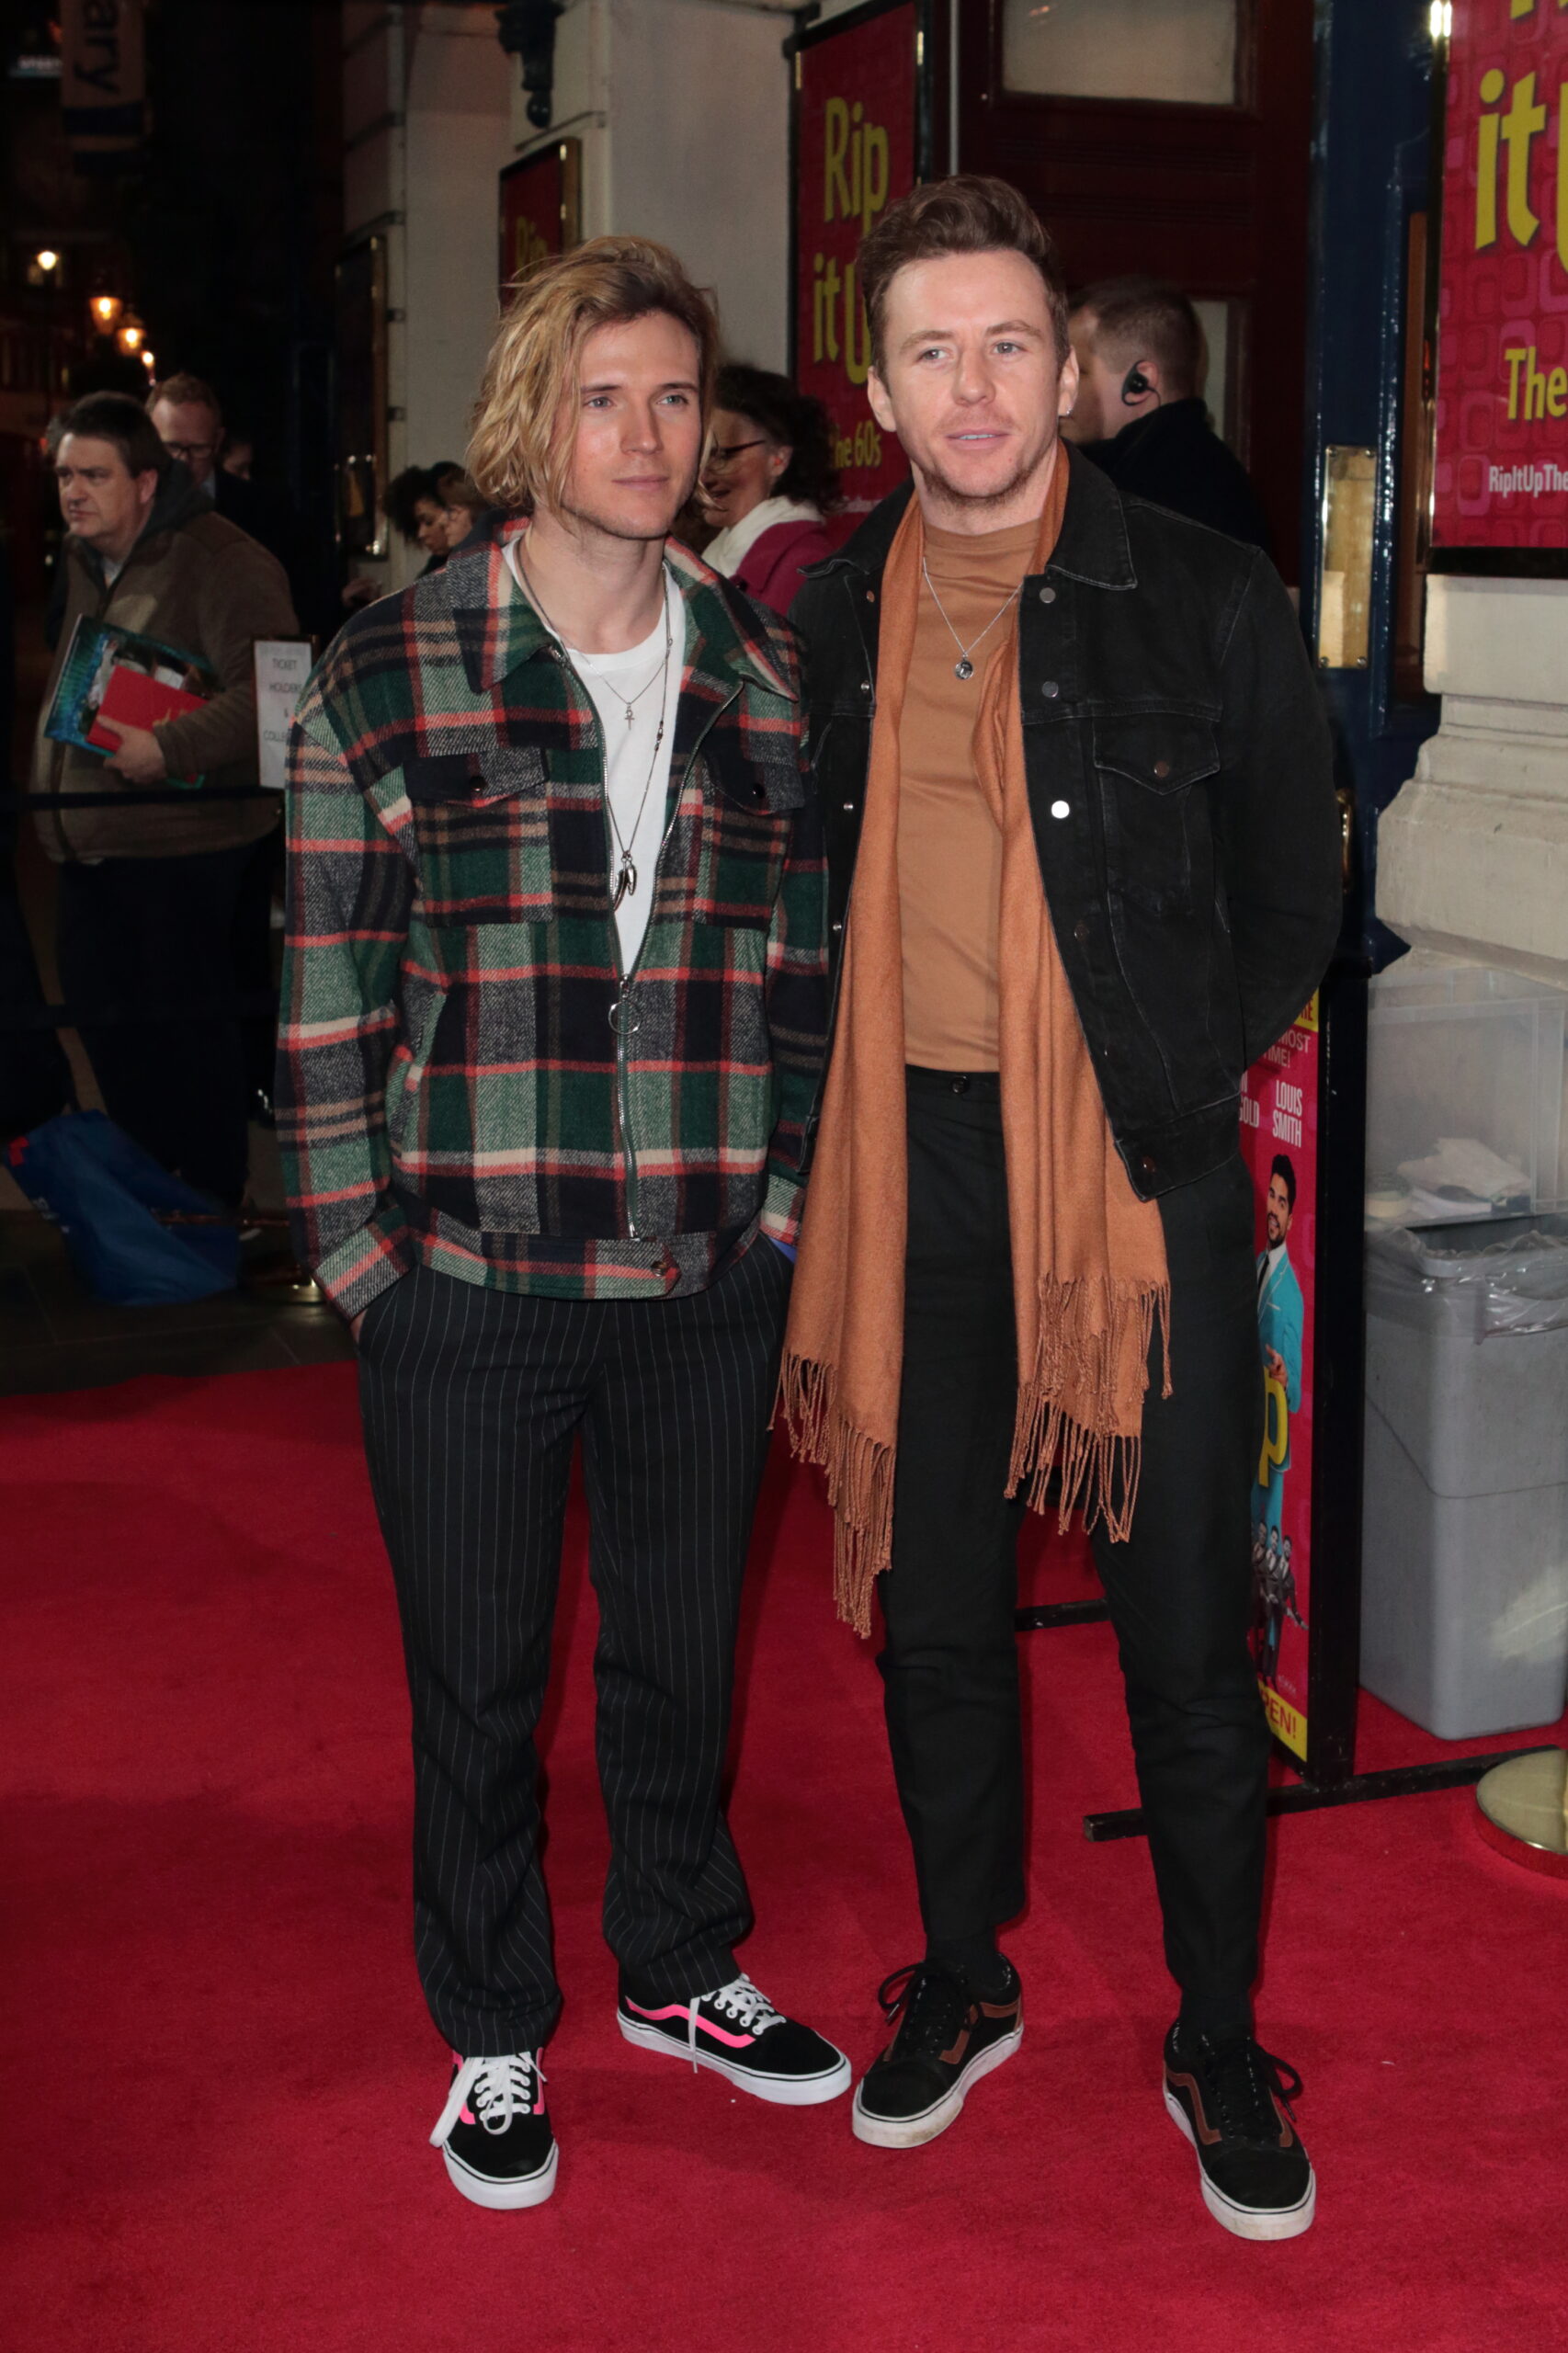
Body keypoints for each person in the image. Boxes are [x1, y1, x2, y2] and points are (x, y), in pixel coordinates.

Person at [783, 176, 1339, 2240]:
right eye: (930, 348)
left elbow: (1298, 870)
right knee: (935, 1613)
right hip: (904, 1172)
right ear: (876, 386)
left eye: (1008, 340)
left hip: (1131, 1171)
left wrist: (1181, 1075)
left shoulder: (1198, 586)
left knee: (1183, 1631)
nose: (974, 383)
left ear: (1077, 362)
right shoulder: (826, 608)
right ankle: (965, 1966)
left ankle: (1210, 2024)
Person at [278, 234, 844, 2214]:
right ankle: (496, 2023)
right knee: (481, 1676)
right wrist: (360, 1255)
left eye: (676, 397)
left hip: (703, 1274)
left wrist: (776, 1214)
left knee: (685, 1654)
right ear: (532, 411)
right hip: (466, 1279)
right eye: (604, 393)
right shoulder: (391, 662)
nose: (644, 431)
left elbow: (804, 977)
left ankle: (681, 1958)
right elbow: (326, 988)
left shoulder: (766, 673)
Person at [33, 392, 297, 1206]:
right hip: (93, 845)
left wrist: (168, 747)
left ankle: (213, 1209)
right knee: (111, 1033)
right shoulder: (85, 559)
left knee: (188, 1041)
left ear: (147, 482)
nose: (74, 492)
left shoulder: (220, 560)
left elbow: (276, 694)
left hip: (184, 848)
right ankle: (158, 1204)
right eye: (65, 475)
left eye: (94, 475)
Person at [1063, 278, 1271, 552]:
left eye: (1080, 372)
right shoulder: (1197, 470)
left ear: (1140, 382)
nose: (1060, 389)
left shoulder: (1156, 496)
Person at [699, 363, 838, 614]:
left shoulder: (805, 566)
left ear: (779, 458)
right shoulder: (716, 555)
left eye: (721, 456)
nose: (703, 476)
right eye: (698, 457)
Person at [1256, 1152, 1305, 1542]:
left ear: (1291, 1217)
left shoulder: (1292, 1294)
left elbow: (1297, 1389)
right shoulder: (1257, 1262)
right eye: (1272, 1196)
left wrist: (1285, 1377)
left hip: (1269, 1448)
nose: (1273, 1208)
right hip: (1245, 1429)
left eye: (1282, 1202)